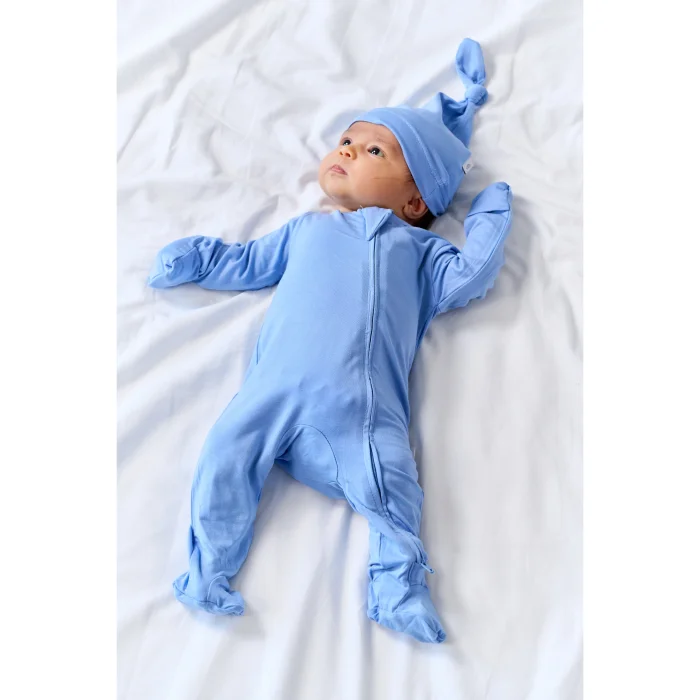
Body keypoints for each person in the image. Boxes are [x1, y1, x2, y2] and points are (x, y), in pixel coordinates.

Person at [147, 38, 512, 644]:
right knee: (224, 457)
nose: (347, 149)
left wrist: (489, 217)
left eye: (374, 150)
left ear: (415, 200)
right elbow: (246, 263)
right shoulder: (306, 230)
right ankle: (208, 570)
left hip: (361, 413)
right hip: (270, 394)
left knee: (394, 491)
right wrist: (195, 258)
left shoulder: (420, 251)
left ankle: (397, 589)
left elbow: (470, 277)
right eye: (347, 140)